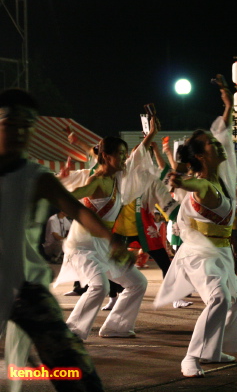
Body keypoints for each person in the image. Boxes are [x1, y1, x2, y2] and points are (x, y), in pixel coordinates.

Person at [0, 88, 130, 391]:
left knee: (74, 371)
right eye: (11, 123)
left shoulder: (36, 176)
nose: (20, 132)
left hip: (25, 288)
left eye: (27, 125)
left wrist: (111, 241)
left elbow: (77, 210)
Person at [154, 74, 237, 378]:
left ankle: (213, 351)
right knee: (219, 297)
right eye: (210, 144)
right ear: (200, 155)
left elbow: (225, 134)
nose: (218, 146)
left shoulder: (225, 176)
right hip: (198, 252)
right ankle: (191, 357)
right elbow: (192, 182)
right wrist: (178, 178)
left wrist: (228, 105)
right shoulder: (203, 183)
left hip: (220, 252)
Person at [55, 118, 159, 340]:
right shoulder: (97, 180)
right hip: (83, 247)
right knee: (99, 287)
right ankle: (71, 332)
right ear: (107, 157)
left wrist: (150, 136)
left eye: (125, 153)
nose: (125, 157)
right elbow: (72, 196)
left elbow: (134, 159)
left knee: (137, 283)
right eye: (121, 154)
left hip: (104, 247)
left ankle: (116, 327)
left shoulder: (118, 177)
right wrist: (61, 185)